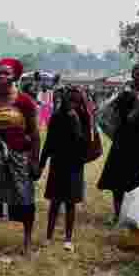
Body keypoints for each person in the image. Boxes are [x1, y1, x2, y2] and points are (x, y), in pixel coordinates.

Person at [0, 57, 41, 254]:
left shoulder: (25, 101)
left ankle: (26, 241)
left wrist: (35, 161)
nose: (2, 76)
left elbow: (34, 133)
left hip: (19, 157)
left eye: (6, 73)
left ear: (15, 76)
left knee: (24, 195)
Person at [97, 65, 139, 222]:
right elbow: (128, 120)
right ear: (133, 76)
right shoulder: (125, 95)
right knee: (119, 181)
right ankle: (117, 214)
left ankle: (138, 214)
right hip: (124, 143)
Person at [39, 85, 92, 251]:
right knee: (55, 202)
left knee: (70, 203)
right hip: (59, 163)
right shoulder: (56, 117)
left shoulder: (83, 117)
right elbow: (48, 142)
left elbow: (85, 141)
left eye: (75, 100)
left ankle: (68, 239)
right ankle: (49, 236)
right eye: (68, 99)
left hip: (74, 164)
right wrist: (41, 164)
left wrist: (77, 119)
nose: (70, 103)